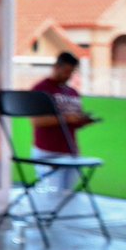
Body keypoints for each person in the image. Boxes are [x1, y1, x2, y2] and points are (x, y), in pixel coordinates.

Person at [30, 51, 101, 190]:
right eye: (65, 71)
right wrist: (66, 118)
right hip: (47, 150)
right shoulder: (41, 89)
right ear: (56, 67)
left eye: (71, 72)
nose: (67, 76)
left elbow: (74, 120)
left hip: (70, 150)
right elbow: (36, 121)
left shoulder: (72, 92)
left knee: (67, 195)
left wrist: (82, 120)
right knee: (50, 193)